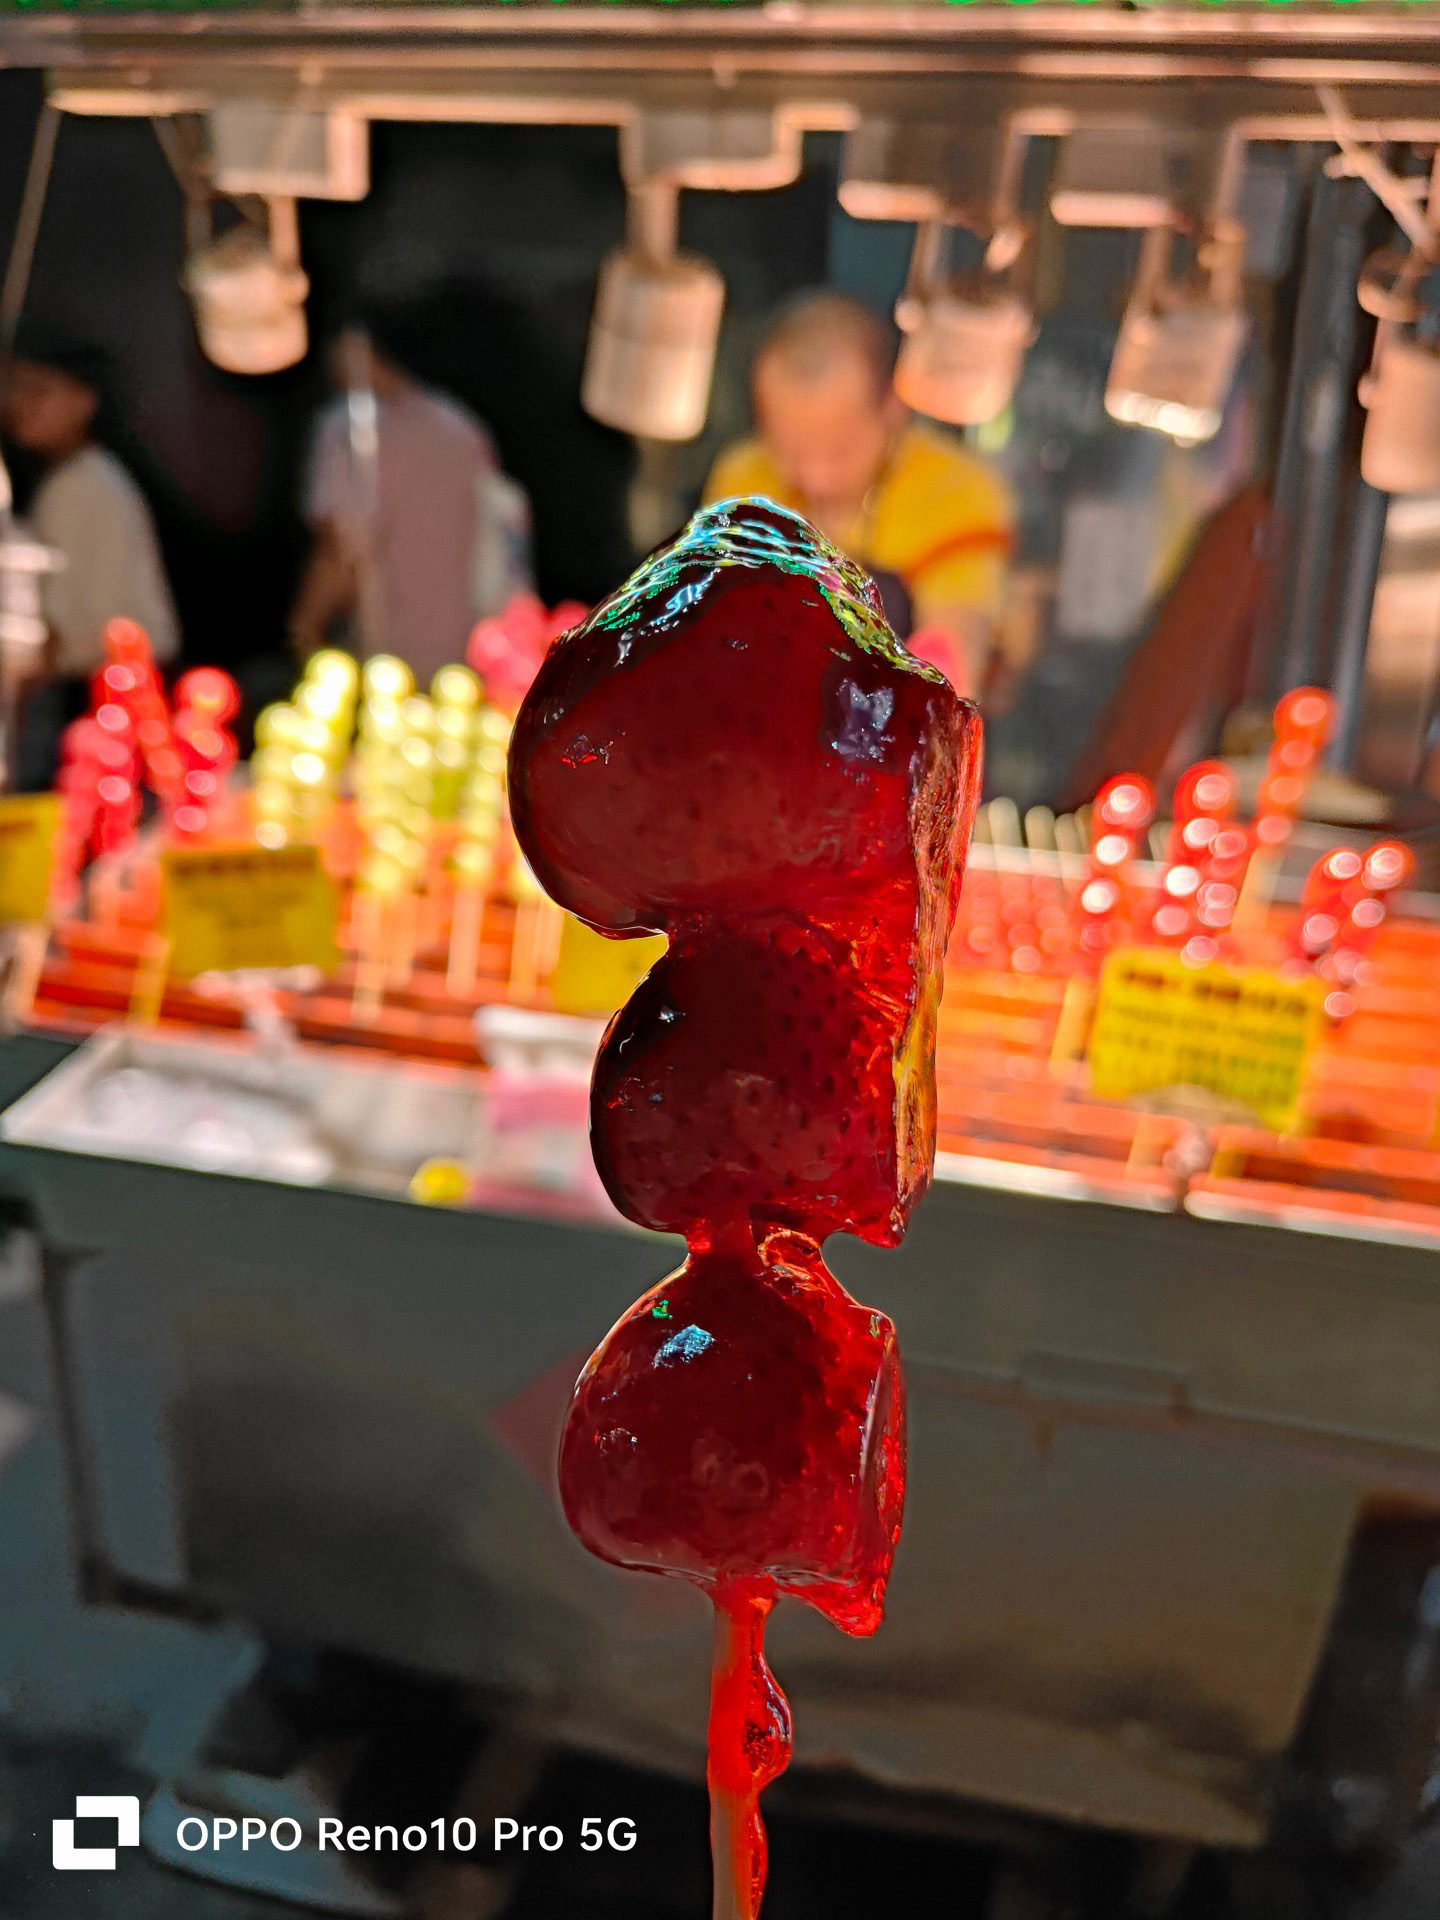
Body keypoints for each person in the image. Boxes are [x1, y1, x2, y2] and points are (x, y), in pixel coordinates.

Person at [703, 291, 1014, 694]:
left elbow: (958, 639)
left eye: (839, 453)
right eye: (789, 452)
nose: (815, 479)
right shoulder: (741, 480)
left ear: (892, 407)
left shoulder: (957, 489)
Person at [291, 309, 531, 681]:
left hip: (386, 669)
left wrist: (303, 632)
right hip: (471, 667)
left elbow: (341, 553)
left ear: (354, 349)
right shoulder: (463, 427)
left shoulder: (352, 433)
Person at [0, 334, 180, 789]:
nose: (18, 404)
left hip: (105, 691)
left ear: (85, 402)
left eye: (38, 390)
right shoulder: (84, 475)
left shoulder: (81, 485)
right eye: (14, 389)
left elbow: (57, 626)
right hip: (115, 685)